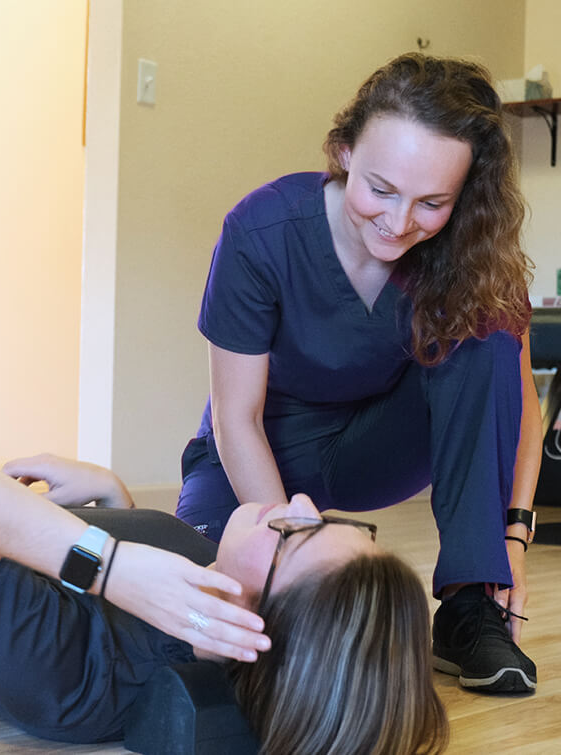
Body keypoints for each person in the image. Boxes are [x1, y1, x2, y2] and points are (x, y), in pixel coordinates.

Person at [0, 300, 447, 753]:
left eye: (297, 532)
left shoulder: (76, 679)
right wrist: (114, 501)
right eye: (320, 515)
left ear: (251, 629)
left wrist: (109, 561)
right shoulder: (203, 578)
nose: (294, 498)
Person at [176, 52, 541, 695]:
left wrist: (511, 537)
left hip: (375, 445)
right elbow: (237, 419)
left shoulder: (471, 252)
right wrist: (291, 561)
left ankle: (466, 604)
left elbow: (517, 410)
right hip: (263, 448)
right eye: (381, 189)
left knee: (486, 339)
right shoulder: (261, 230)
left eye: (432, 203)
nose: (400, 224)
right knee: (197, 613)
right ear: (344, 152)